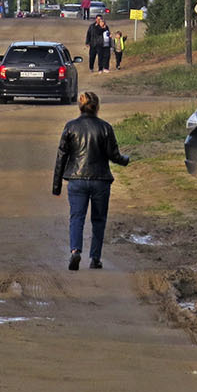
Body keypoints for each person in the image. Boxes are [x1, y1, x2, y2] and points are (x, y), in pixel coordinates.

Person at [51, 91, 129, 271]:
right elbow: (113, 155)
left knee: (76, 217)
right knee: (99, 220)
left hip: (76, 180)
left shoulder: (70, 127)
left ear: (80, 106)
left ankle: (75, 251)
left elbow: (61, 157)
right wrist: (126, 160)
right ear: (97, 107)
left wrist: (56, 186)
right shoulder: (105, 128)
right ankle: (95, 258)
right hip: (101, 180)